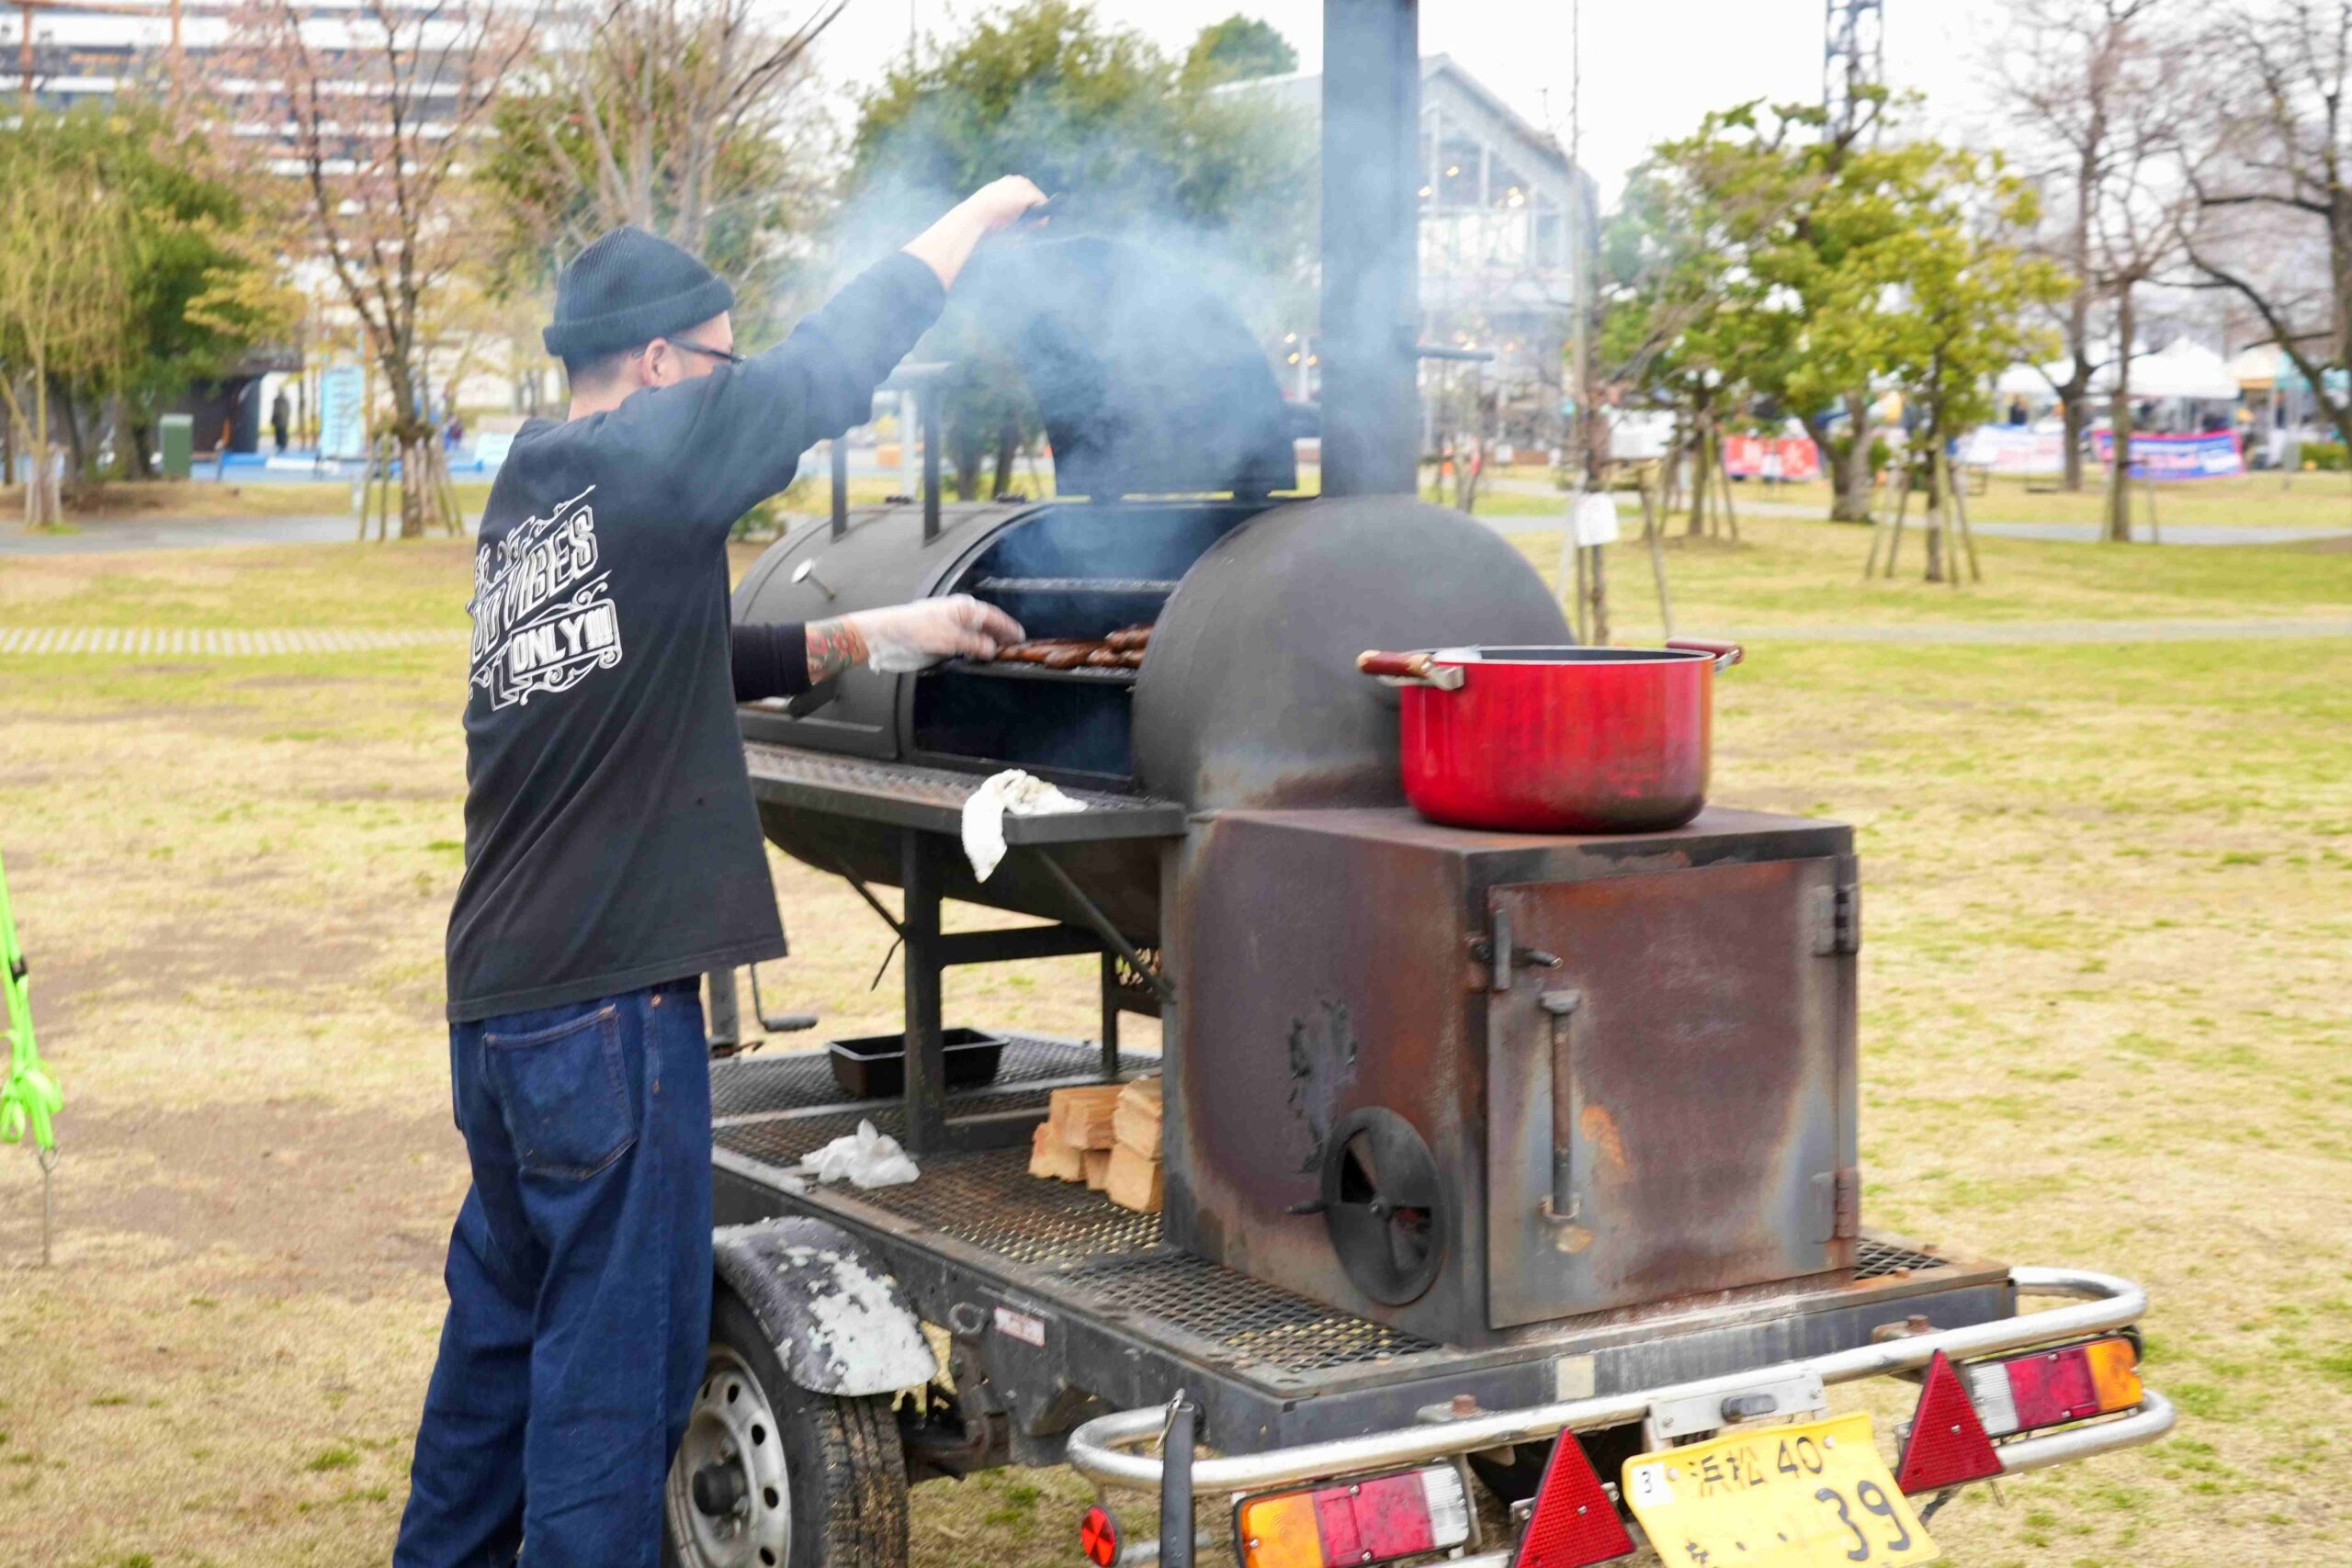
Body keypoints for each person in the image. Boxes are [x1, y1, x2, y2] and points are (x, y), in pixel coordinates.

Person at [394, 176, 1045, 1568]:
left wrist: (877, 628)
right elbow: (830, 362)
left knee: (498, 1356)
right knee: (611, 1392)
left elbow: (688, 652)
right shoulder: (650, 452)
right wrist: (974, 217)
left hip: (506, 1007)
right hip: (610, 1014)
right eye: (719, 367)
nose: (732, 390)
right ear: (658, 366)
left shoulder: (540, 489)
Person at [270, 388, 290, 454]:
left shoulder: (283, 401)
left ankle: (282, 445)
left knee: (282, 433)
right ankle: (281, 445)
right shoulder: (278, 400)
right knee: (280, 433)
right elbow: (275, 410)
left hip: (281, 420)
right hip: (280, 420)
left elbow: (287, 411)